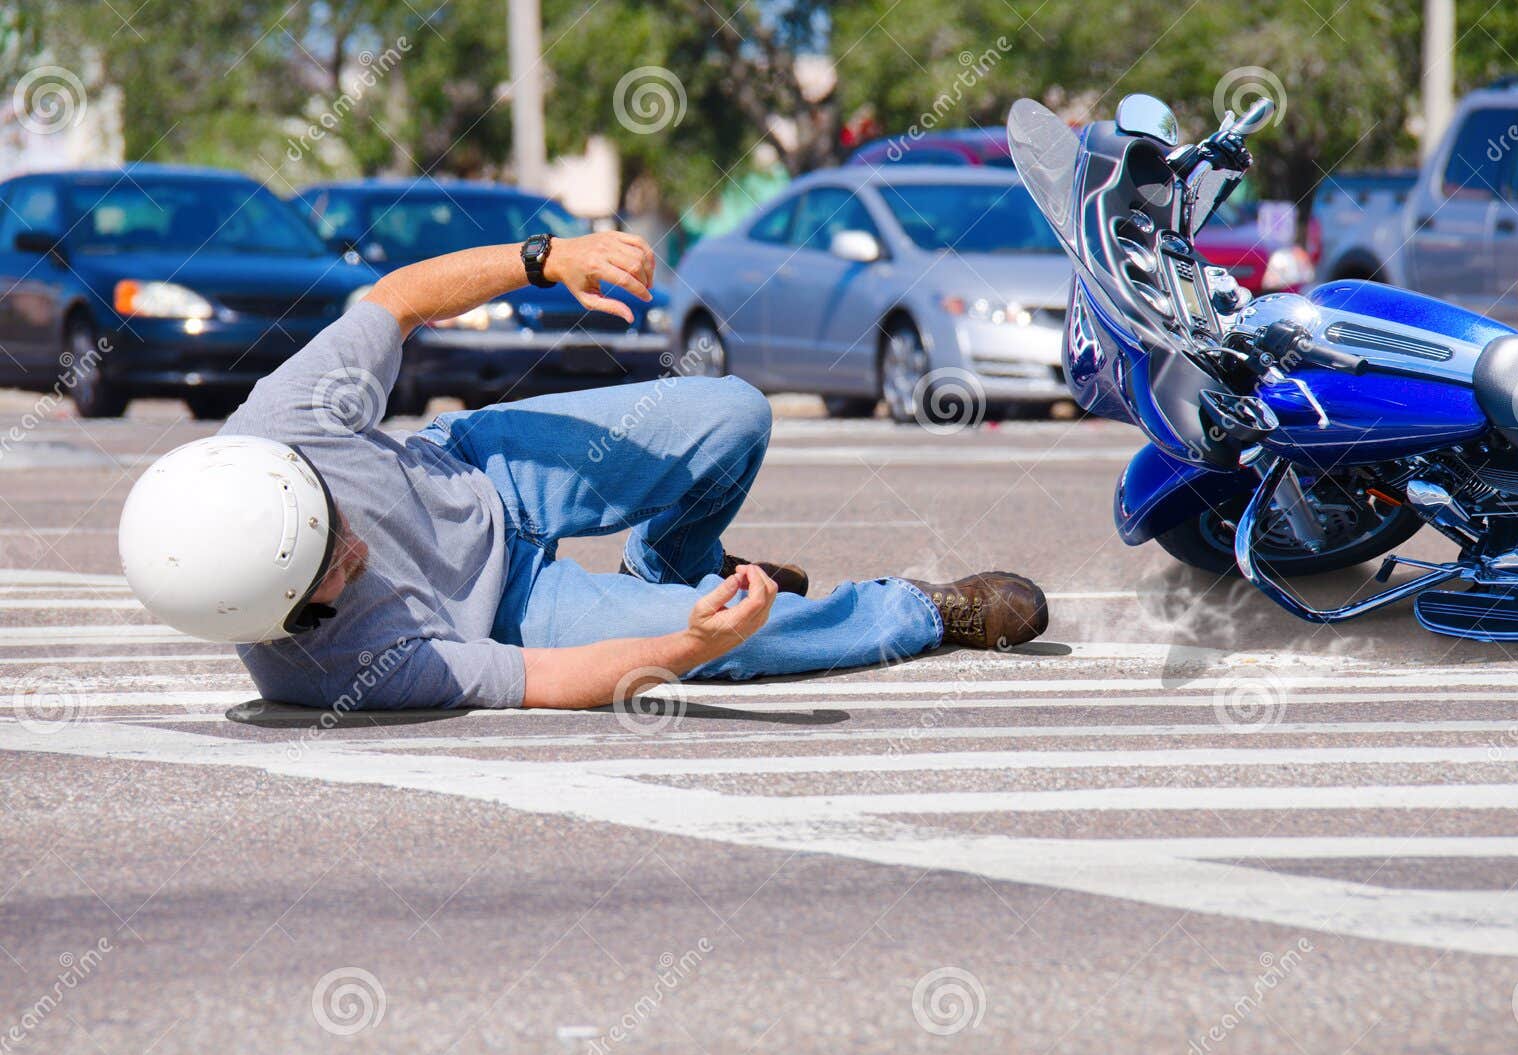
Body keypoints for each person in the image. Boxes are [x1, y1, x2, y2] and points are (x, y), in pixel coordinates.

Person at [117, 230, 1048, 712]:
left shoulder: (281, 421)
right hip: (512, 612)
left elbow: (395, 301)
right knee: (742, 646)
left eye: (331, 529)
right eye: (327, 588)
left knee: (733, 412)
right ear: (282, 622)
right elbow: (545, 680)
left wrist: (548, 257)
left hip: (484, 473)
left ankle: (673, 563)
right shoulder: (325, 674)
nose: (353, 557)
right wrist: (688, 650)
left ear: (292, 481)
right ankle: (926, 611)